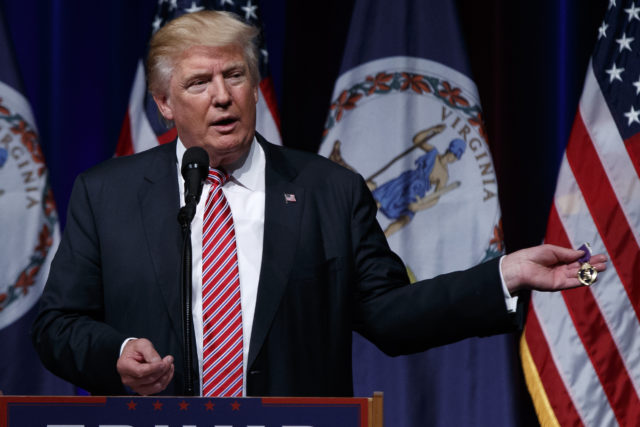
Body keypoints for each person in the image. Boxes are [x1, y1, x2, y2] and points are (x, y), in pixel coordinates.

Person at [31, 10, 607, 397]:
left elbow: (390, 315)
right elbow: (57, 325)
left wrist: (503, 276)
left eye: (235, 75)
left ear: (255, 85)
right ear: (163, 102)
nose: (223, 97)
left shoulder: (328, 191)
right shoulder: (107, 194)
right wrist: (120, 351)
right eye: (199, 83)